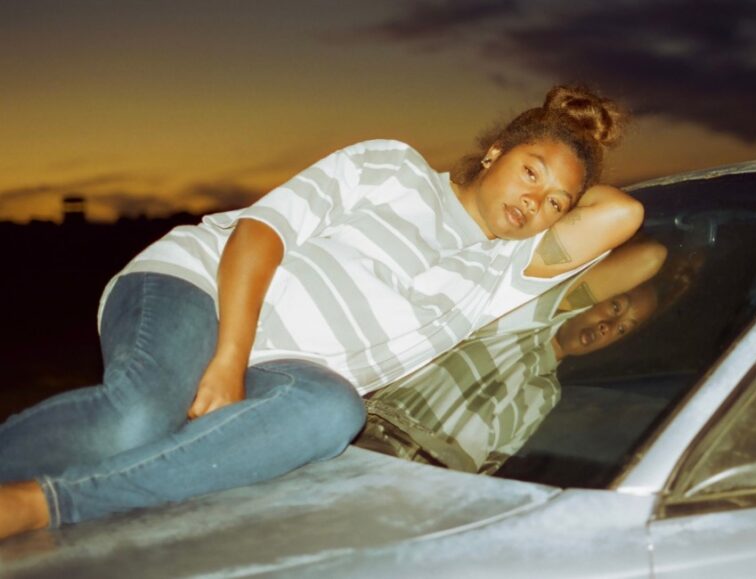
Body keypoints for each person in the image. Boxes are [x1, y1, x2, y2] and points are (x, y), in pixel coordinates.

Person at [0, 85, 641, 540]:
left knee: (336, 409)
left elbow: (623, 216)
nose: (538, 202)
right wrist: (226, 360)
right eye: (531, 172)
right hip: (203, 289)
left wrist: (578, 156)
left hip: (284, 368)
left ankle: (42, 506)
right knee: (138, 416)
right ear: (496, 151)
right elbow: (260, 234)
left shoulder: (503, 272)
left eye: (557, 202)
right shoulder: (393, 167)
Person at [357, 236, 669, 473]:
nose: (609, 328)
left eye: (623, 329)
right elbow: (650, 257)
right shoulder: (523, 318)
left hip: (420, 497)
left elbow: (488, 467)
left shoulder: (546, 394)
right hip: (368, 452)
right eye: (616, 307)